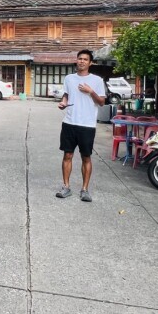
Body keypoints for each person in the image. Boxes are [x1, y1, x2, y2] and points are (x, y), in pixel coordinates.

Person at [56, 50, 106, 202]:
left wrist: (91, 91)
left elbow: (102, 102)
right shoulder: (69, 78)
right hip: (69, 122)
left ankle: (84, 190)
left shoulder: (97, 80)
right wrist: (64, 102)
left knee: (86, 157)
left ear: (90, 63)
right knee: (67, 155)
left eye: (85, 59)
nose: (82, 61)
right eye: (80, 58)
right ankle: (66, 187)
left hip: (87, 124)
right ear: (76, 60)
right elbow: (66, 95)